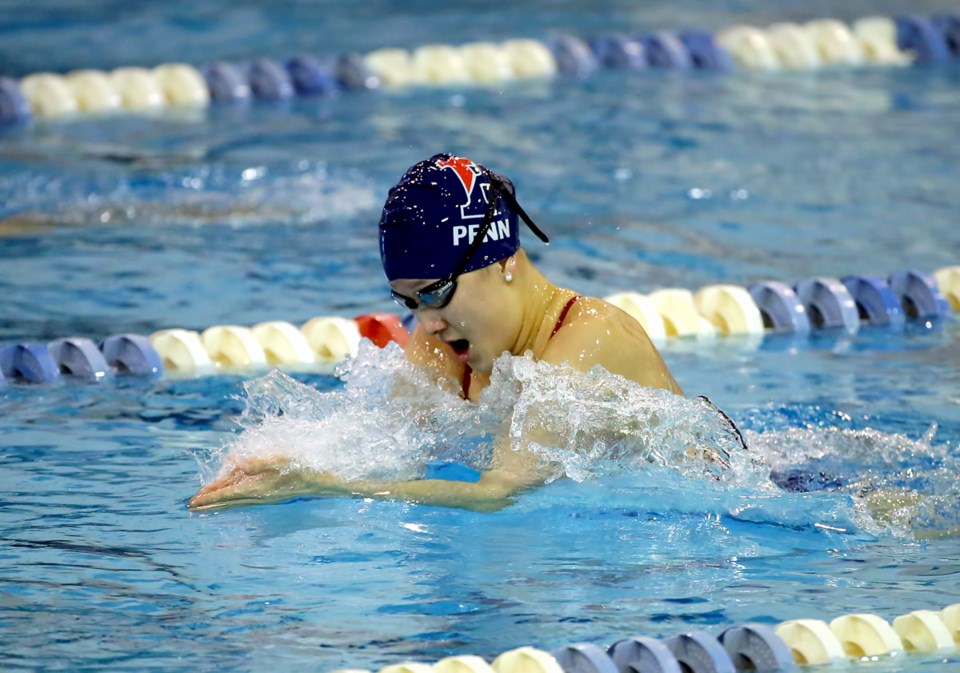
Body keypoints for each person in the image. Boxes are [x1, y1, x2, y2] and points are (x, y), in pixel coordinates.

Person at [188, 153, 685, 512]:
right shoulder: (445, 340)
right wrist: (282, 459)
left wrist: (318, 484)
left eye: (435, 292)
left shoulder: (586, 340)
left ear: (504, 260)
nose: (426, 323)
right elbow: (387, 447)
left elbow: (496, 493)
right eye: (408, 302)